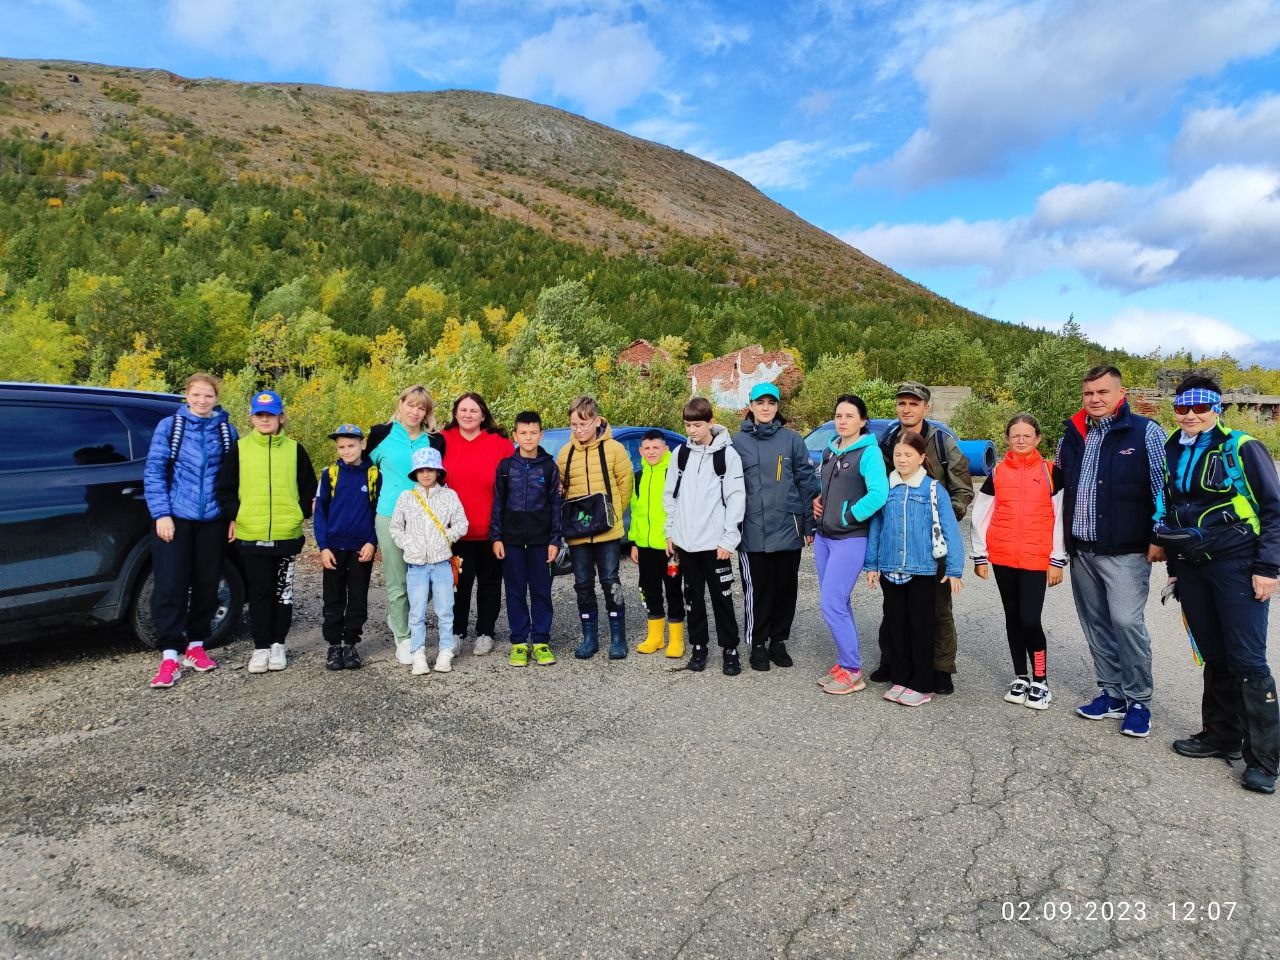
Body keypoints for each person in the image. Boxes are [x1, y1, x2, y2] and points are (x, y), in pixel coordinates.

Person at [1156, 375, 1279, 795]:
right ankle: (1220, 736)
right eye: (1182, 408)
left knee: (1248, 660)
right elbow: (1171, 509)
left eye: (1199, 408)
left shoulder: (1242, 447)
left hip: (1238, 564)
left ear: (1216, 408)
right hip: (1192, 567)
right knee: (1214, 654)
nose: (1190, 415)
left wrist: (1268, 567)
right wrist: (1174, 566)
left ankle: (1263, 760)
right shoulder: (1174, 446)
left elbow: (1274, 508)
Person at [1056, 365, 1167, 738]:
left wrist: (1160, 535)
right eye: (1089, 393)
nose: (1095, 400)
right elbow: (1056, 486)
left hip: (1125, 549)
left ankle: (1138, 700)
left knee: (1125, 621)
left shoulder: (1144, 432)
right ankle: (1111, 692)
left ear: (1121, 394)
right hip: (1081, 549)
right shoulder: (1071, 435)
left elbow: (1162, 487)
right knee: (1096, 623)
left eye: (1103, 392)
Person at [874, 382, 973, 694]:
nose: (906, 409)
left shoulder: (943, 442)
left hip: (932, 542)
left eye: (913, 404)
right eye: (902, 403)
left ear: (925, 408)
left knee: (937, 609)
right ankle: (891, 661)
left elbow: (963, 486)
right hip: (897, 539)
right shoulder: (887, 441)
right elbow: (876, 485)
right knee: (895, 606)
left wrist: (943, 520)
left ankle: (941, 668)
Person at [143, 373, 238, 689]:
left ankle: (196, 646)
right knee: (170, 584)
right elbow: (154, 472)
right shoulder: (170, 428)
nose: (201, 401)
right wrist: (161, 514)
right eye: (196, 395)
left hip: (213, 519)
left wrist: (232, 517)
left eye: (208, 396)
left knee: (207, 584)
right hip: (175, 517)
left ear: (215, 397)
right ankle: (170, 654)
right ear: (186, 396)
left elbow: (233, 479)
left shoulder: (226, 431)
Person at [971, 414, 1068, 709]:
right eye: (1015, 436)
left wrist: (1057, 559)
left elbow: (1061, 517)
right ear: (1008, 439)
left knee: (1029, 618)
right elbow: (980, 514)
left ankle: (1041, 680)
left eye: (1027, 435)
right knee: (1013, 618)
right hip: (1002, 557)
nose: (1021, 440)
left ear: (1037, 438)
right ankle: (1021, 676)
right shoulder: (999, 472)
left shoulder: (1052, 471)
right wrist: (980, 555)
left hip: (1037, 558)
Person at [220, 390, 316, 675]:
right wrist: (237, 515)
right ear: (252, 418)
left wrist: (299, 512)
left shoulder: (295, 449)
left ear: (280, 417)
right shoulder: (239, 449)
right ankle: (261, 647)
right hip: (252, 534)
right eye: (260, 415)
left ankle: (278, 645)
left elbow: (309, 488)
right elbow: (224, 489)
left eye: (270, 415)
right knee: (259, 593)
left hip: (286, 535)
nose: (265, 419)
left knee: (282, 594)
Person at [865, 433, 965, 707]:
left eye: (908, 454)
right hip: (890, 568)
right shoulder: (887, 488)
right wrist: (872, 565)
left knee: (921, 627)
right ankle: (901, 678)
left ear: (922, 457)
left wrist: (955, 569)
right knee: (896, 625)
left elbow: (950, 530)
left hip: (923, 570)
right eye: (898, 454)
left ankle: (922, 684)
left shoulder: (933, 489)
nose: (902, 459)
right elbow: (876, 527)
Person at [732, 382, 819, 672]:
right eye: (760, 403)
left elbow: (808, 483)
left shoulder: (792, 440)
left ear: (777, 407)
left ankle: (778, 641)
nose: (766, 408)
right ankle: (758, 643)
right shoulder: (737, 442)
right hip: (752, 531)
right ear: (751, 406)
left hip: (788, 528)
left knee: (785, 589)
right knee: (758, 590)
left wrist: (809, 524)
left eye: (771, 403)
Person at [812, 394, 889, 695]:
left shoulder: (868, 453)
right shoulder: (830, 451)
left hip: (850, 538)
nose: (843, 421)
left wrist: (848, 515)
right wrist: (820, 502)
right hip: (824, 538)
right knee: (838, 602)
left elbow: (878, 494)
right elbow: (828, 487)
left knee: (830, 603)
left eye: (849, 416)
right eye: (839, 415)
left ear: (863, 421)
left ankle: (853, 670)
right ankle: (845, 663)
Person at [664, 397, 747, 674]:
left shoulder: (727, 455)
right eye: (687, 425)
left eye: (697, 425)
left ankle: (730, 649)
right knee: (693, 598)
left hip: (714, 544)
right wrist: (670, 533)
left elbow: (736, 499)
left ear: (711, 422)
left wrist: (728, 540)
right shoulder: (681, 454)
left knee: (722, 597)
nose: (692, 431)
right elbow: (671, 496)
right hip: (686, 542)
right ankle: (699, 647)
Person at [367, 385, 446, 665]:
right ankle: (403, 636)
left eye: (421, 407)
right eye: (410, 405)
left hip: (424, 518)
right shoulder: (380, 434)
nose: (415, 412)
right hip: (389, 516)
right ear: (400, 404)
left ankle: (399, 616)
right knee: (398, 581)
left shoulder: (435, 441)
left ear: (427, 412)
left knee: (426, 581)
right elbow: (363, 474)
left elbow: (441, 482)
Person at [556, 395, 633, 660]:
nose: (579, 429)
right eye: (574, 425)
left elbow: (626, 484)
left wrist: (613, 516)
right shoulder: (566, 453)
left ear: (596, 420)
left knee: (610, 581)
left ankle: (617, 637)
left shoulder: (614, 449)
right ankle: (589, 637)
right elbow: (561, 488)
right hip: (578, 534)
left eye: (584, 424)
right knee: (583, 584)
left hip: (608, 532)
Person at [490, 411, 563, 668]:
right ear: (515, 435)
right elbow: (498, 503)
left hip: (541, 542)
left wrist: (555, 540)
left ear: (541, 434)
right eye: (523, 433)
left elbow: (556, 506)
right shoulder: (506, 467)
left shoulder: (549, 467)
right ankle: (520, 642)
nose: (528, 437)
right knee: (515, 591)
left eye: (533, 432)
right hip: (510, 541)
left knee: (541, 591)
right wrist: (496, 537)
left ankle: (541, 640)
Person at [442, 393, 512, 657]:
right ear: (455, 413)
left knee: (490, 583)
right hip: (454, 532)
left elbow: (512, 482)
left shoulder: (499, 442)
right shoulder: (443, 440)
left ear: (483, 414)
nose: (468, 415)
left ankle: (485, 632)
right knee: (458, 585)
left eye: (474, 410)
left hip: (491, 530)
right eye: (463, 410)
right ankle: (457, 632)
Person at [390, 447, 468, 676]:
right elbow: (395, 527)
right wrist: (409, 544)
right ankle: (418, 653)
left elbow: (461, 524)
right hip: (416, 565)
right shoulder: (406, 497)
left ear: (438, 472)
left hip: (442, 562)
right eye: (421, 470)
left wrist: (447, 538)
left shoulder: (449, 496)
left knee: (445, 609)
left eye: (430, 470)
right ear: (415, 472)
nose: (426, 474)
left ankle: (446, 651)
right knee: (417, 611)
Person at [314, 423, 380, 671]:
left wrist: (372, 541)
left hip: (361, 548)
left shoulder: (373, 475)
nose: (346, 450)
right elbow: (320, 513)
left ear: (362, 444)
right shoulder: (329, 474)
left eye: (351, 445)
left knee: (358, 596)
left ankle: (350, 643)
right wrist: (323, 547)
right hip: (334, 547)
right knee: (333, 596)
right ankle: (334, 645)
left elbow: (377, 512)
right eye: (341, 446)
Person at [631, 430, 685, 657]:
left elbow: (681, 509)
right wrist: (634, 541)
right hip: (645, 546)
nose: (651, 452)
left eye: (656, 448)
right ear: (640, 451)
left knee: (673, 589)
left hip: (669, 547)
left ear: (665, 449)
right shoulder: (639, 476)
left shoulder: (673, 474)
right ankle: (655, 636)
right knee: (649, 590)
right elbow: (636, 511)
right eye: (647, 448)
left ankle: (676, 639)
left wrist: (675, 538)